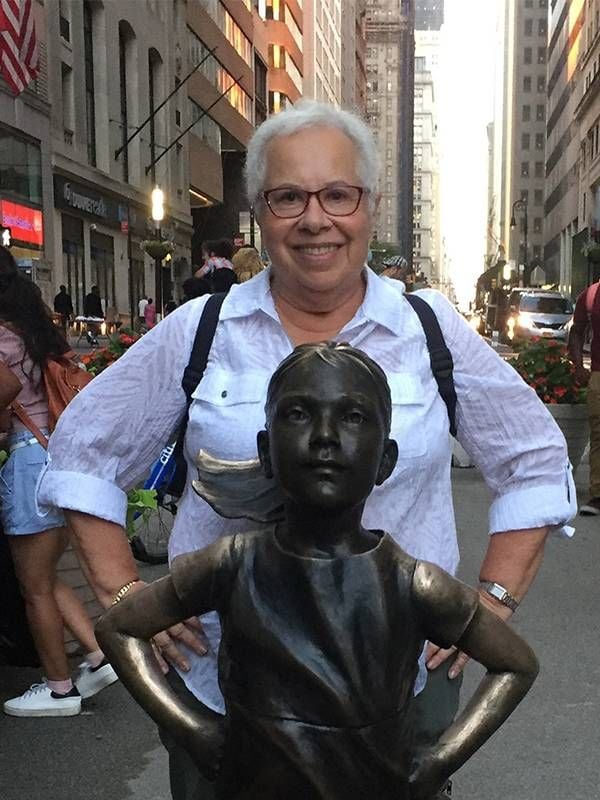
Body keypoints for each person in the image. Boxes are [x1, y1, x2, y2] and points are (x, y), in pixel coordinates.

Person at [39, 101, 574, 798]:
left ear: (371, 207)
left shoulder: (428, 328)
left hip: (399, 690)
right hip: (221, 691)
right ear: (260, 214)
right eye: (288, 196)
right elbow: (84, 451)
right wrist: (124, 593)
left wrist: (491, 605)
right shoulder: (204, 327)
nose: (315, 219)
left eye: (338, 194)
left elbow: (532, 458)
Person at [96, 343, 538, 800]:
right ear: (266, 451)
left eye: (352, 417)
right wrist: (193, 730)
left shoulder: (413, 583)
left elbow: (516, 665)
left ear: (385, 459)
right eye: (299, 414)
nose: (325, 435)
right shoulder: (231, 564)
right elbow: (119, 628)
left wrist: (438, 760)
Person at [0, 247, 117, 717]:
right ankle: (97, 654)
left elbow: (6, 392)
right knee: (46, 577)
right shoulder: (34, 334)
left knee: (34, 588)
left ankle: (59, 689)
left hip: (28, 461)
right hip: (59, 456)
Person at [569, 278, 600, 514]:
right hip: (598, 375)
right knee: (598, 435)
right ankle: (597, 495)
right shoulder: (591, 295)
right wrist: (579, 365)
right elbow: (577, 331)